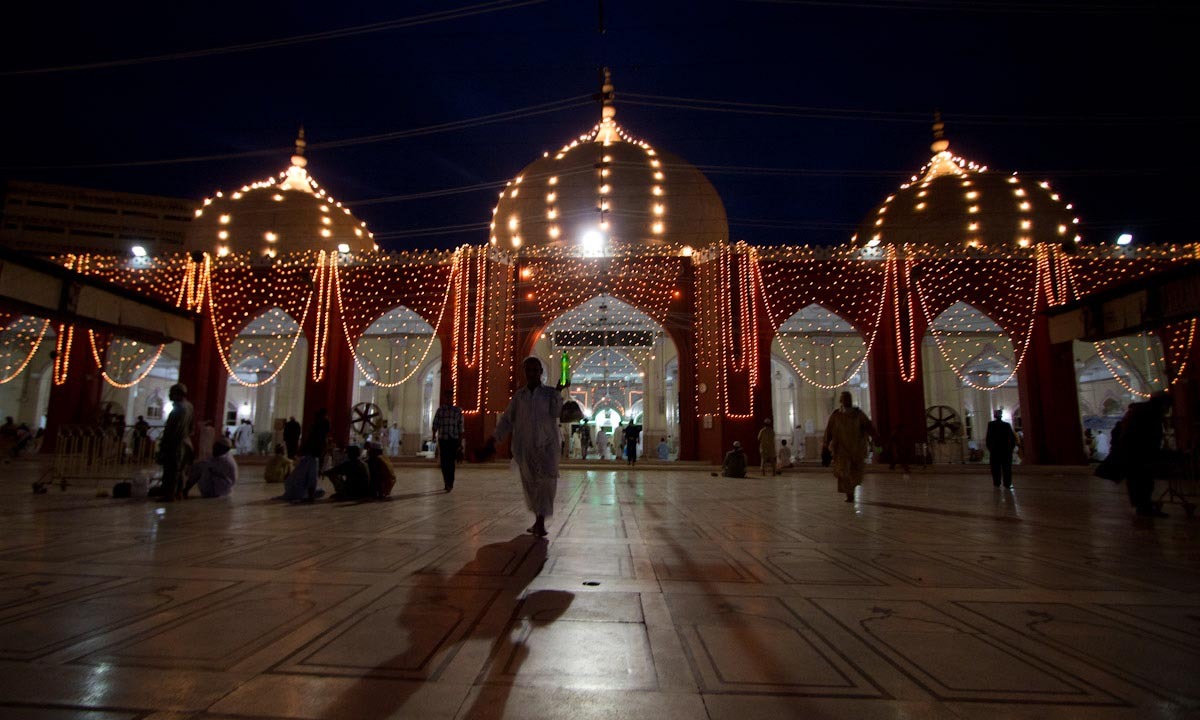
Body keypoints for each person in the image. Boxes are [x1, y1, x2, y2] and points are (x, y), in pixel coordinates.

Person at [491, 356, 564, 537]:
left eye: (535, 370)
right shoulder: (519, 396)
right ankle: (538, 519)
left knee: (546, 484)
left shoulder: (549, 394)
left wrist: (558, 391)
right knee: (531, 486)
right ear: (524, 372)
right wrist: (494, 439)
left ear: (541, 372)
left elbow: (557, 413)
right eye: (528, 370)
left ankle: (540, 521)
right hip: (525, 450)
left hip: (547, 449)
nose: (532, 373)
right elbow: (507, 420)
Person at [1109, 393, 1173, 518]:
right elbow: (1148, 436)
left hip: (1133, 453)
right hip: (1140, 453)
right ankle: (1144, 507)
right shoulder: (1149, 413)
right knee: (1143, 481)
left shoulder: (1137, 411)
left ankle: (1142, 506)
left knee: (1138, 481)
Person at [823, 391, 878, 502]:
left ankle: (852, 489)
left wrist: (876, 437)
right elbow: (828, 431)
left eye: (849, 398)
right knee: (843, 472)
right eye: (845, 398)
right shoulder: (836, 415)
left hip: (857, 448)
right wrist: (825, 445)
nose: (847, 400)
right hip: (841, 449)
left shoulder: (858, 414)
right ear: (841, 401)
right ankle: (849, 493)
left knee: (856, 472)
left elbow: (868, 426)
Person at [155, 383, 194, 502]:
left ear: (178, 394)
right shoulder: (189, 407)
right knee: (180, 469)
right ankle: (179, 493)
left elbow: (172, 431)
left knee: (171, 470)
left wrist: (164, 446)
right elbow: (191, 427)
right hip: (186, 442)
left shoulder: (179, 409)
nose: (169, 396)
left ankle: (170, 494)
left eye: (171, 393)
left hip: (176, 444)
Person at [282, 408, 330, 503]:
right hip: (315, 452)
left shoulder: (316, 427)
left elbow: (309, 439)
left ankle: (309, 495)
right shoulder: (323, 426)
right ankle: (310, 494)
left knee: (309, 474)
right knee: (312, 475)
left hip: (311, 452)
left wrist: (302, 450)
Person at [432, 388, 464, 492]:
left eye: (450, 397)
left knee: (451, 462)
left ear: (452, 398)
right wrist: (433, 435)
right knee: (444, 462)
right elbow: (435, 424)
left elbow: (461, 427)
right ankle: (446, 481)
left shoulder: (457, 410)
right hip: (443, 439)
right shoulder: (440, 410)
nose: (448, 399)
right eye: (447, 397)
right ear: (445, 398)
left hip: (453, 439)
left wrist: (460, 441)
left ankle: (450, 482)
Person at [985, 409, 1018, 489]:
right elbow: (1012, 438)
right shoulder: (1006, 425)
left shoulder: (991, 425)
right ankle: (1007, 483)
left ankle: (997, 483)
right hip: (1005, 450)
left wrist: (990, 448)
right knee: (1007, 468)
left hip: (995, 450)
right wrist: (1010, 448)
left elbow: (988, 438)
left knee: (996, 468)